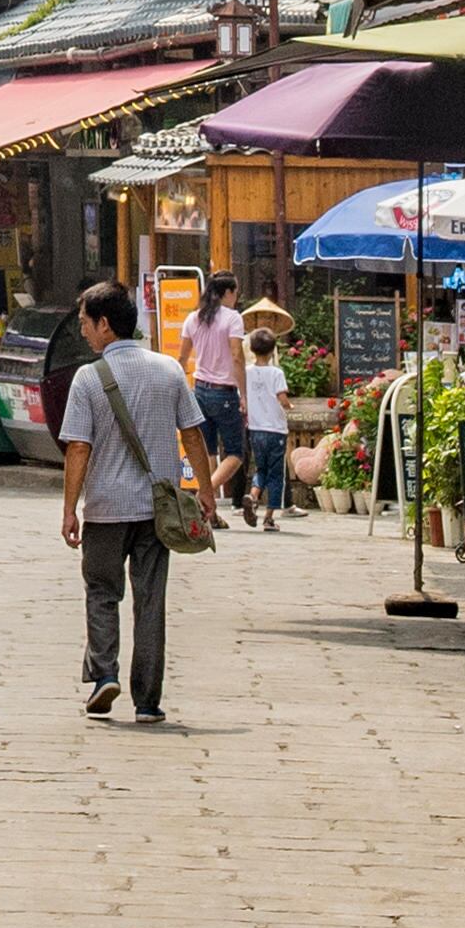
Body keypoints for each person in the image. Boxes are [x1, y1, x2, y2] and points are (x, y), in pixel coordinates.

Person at [59, 278, 205, 720]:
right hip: (157, 511)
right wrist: (208, 491)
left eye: (85, 323)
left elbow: (79, 448)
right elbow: (192, 433)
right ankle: (148, 700)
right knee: (150, 600)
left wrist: (70, 508)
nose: (82, 331)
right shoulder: (168, 370)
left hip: (106, 509)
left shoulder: (88, 378)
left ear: (105, 325)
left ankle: (105, 675)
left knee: (102, 591)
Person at [185, 274, 251, 502]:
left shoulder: (194, 318)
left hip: (199, 389)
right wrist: (244, 394)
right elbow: (237, 356)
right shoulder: (233, 318)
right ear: (228, 293)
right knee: (235, 452)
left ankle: (209, 511)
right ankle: (204, 493)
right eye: (236, 292)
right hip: (224, 391)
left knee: (208, 451)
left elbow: (181, 359)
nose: (237, 297)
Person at [240, 319, 293, 527]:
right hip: (276, 430)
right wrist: (289, 406)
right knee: (276, 474)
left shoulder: (246, 372)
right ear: (273, 350)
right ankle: (269, 517)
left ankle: (252, 496)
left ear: (252, 349)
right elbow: (282, 398)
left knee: (260, 469)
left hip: (255, 429)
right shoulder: (276, 373)